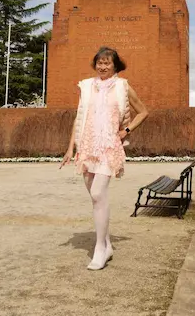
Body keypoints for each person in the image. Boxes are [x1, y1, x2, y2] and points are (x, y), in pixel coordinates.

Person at [60, 46, 148, 270]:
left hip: (109, 146)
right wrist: (71, 147)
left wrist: (125, 131)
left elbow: (143, 112)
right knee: (95, 198)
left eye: (107, 63)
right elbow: (79, 118)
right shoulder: (87, 86)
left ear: (115, 65)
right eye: (99, 62)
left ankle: (100, 248)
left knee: (98, 193)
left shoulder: (122, 86)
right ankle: (107, 244)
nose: (103, 66)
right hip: (88, 146)